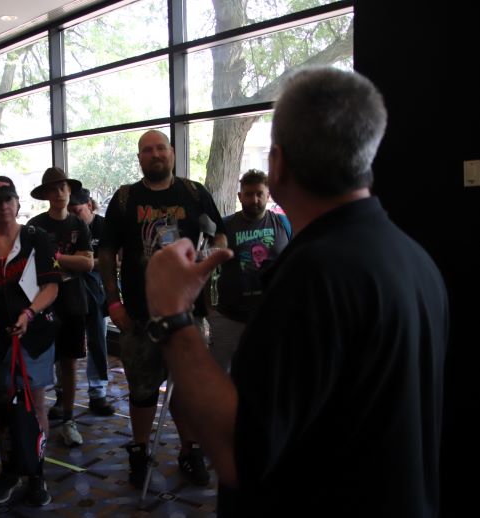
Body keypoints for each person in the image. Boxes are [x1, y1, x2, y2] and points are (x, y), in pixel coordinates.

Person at [145, 67, 448, 517]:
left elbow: (238, 454)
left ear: (278, 163)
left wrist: (172, 316)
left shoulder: (315, 276)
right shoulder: (416, 259)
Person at [98, 129, 226, 489]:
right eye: (147, 150)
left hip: (187, 315)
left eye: (160, 148)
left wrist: (210, 254)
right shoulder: (125, 198)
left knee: (186, 390)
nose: (155, 154)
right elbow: (106, 253)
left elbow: (219, 234)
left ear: (171, 152)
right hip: (140, 316)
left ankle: (190, 450)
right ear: (139, 158)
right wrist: (113, 302)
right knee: (142, 391)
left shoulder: (194, 192)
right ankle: (139, 451)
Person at [0, 175, 60, 506]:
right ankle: (8, 470)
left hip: (34, 335)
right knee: (4, 409)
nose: (4, 206)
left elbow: (51, 286)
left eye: (9, 199)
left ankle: (36, 473)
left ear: (18, 202)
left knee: (35, 406)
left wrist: (29, 313)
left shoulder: (37, 238)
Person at [28, 167, 93, 447]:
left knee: (70, 361)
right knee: (41, 361)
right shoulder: (35, 226)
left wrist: (54, 256)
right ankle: (38, 418)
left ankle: (68, 419)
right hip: (43, 300)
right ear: (45, 194)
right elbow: (32, 264)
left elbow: (87, 263)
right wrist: (71, 259)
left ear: (70, 191)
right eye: (53, 189)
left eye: (63, 187)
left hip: (73, 301)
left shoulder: (79, 224)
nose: (59, 193)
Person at [208, 169, 291, 371]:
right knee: (221, 376)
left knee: (267, 374)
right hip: (229, 319)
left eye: (259, 194)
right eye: (249, 194)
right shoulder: (225, 226)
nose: (255, 199)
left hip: (272, 317)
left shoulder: (284, 224)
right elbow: (210, 268)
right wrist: (210, 311)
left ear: (268, 195)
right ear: (240, 196)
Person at [67, 187, 115, 416]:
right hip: (70, 288)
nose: (75, 217)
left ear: (89, 205)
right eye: (70, 212)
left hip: (97, 289)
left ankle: (98, 392)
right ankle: (62, 394)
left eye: (77, 212)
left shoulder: (104, 227)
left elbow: (114, 260)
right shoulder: (68, 227)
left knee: (98, 339)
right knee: (67, 343)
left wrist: (85, 263)